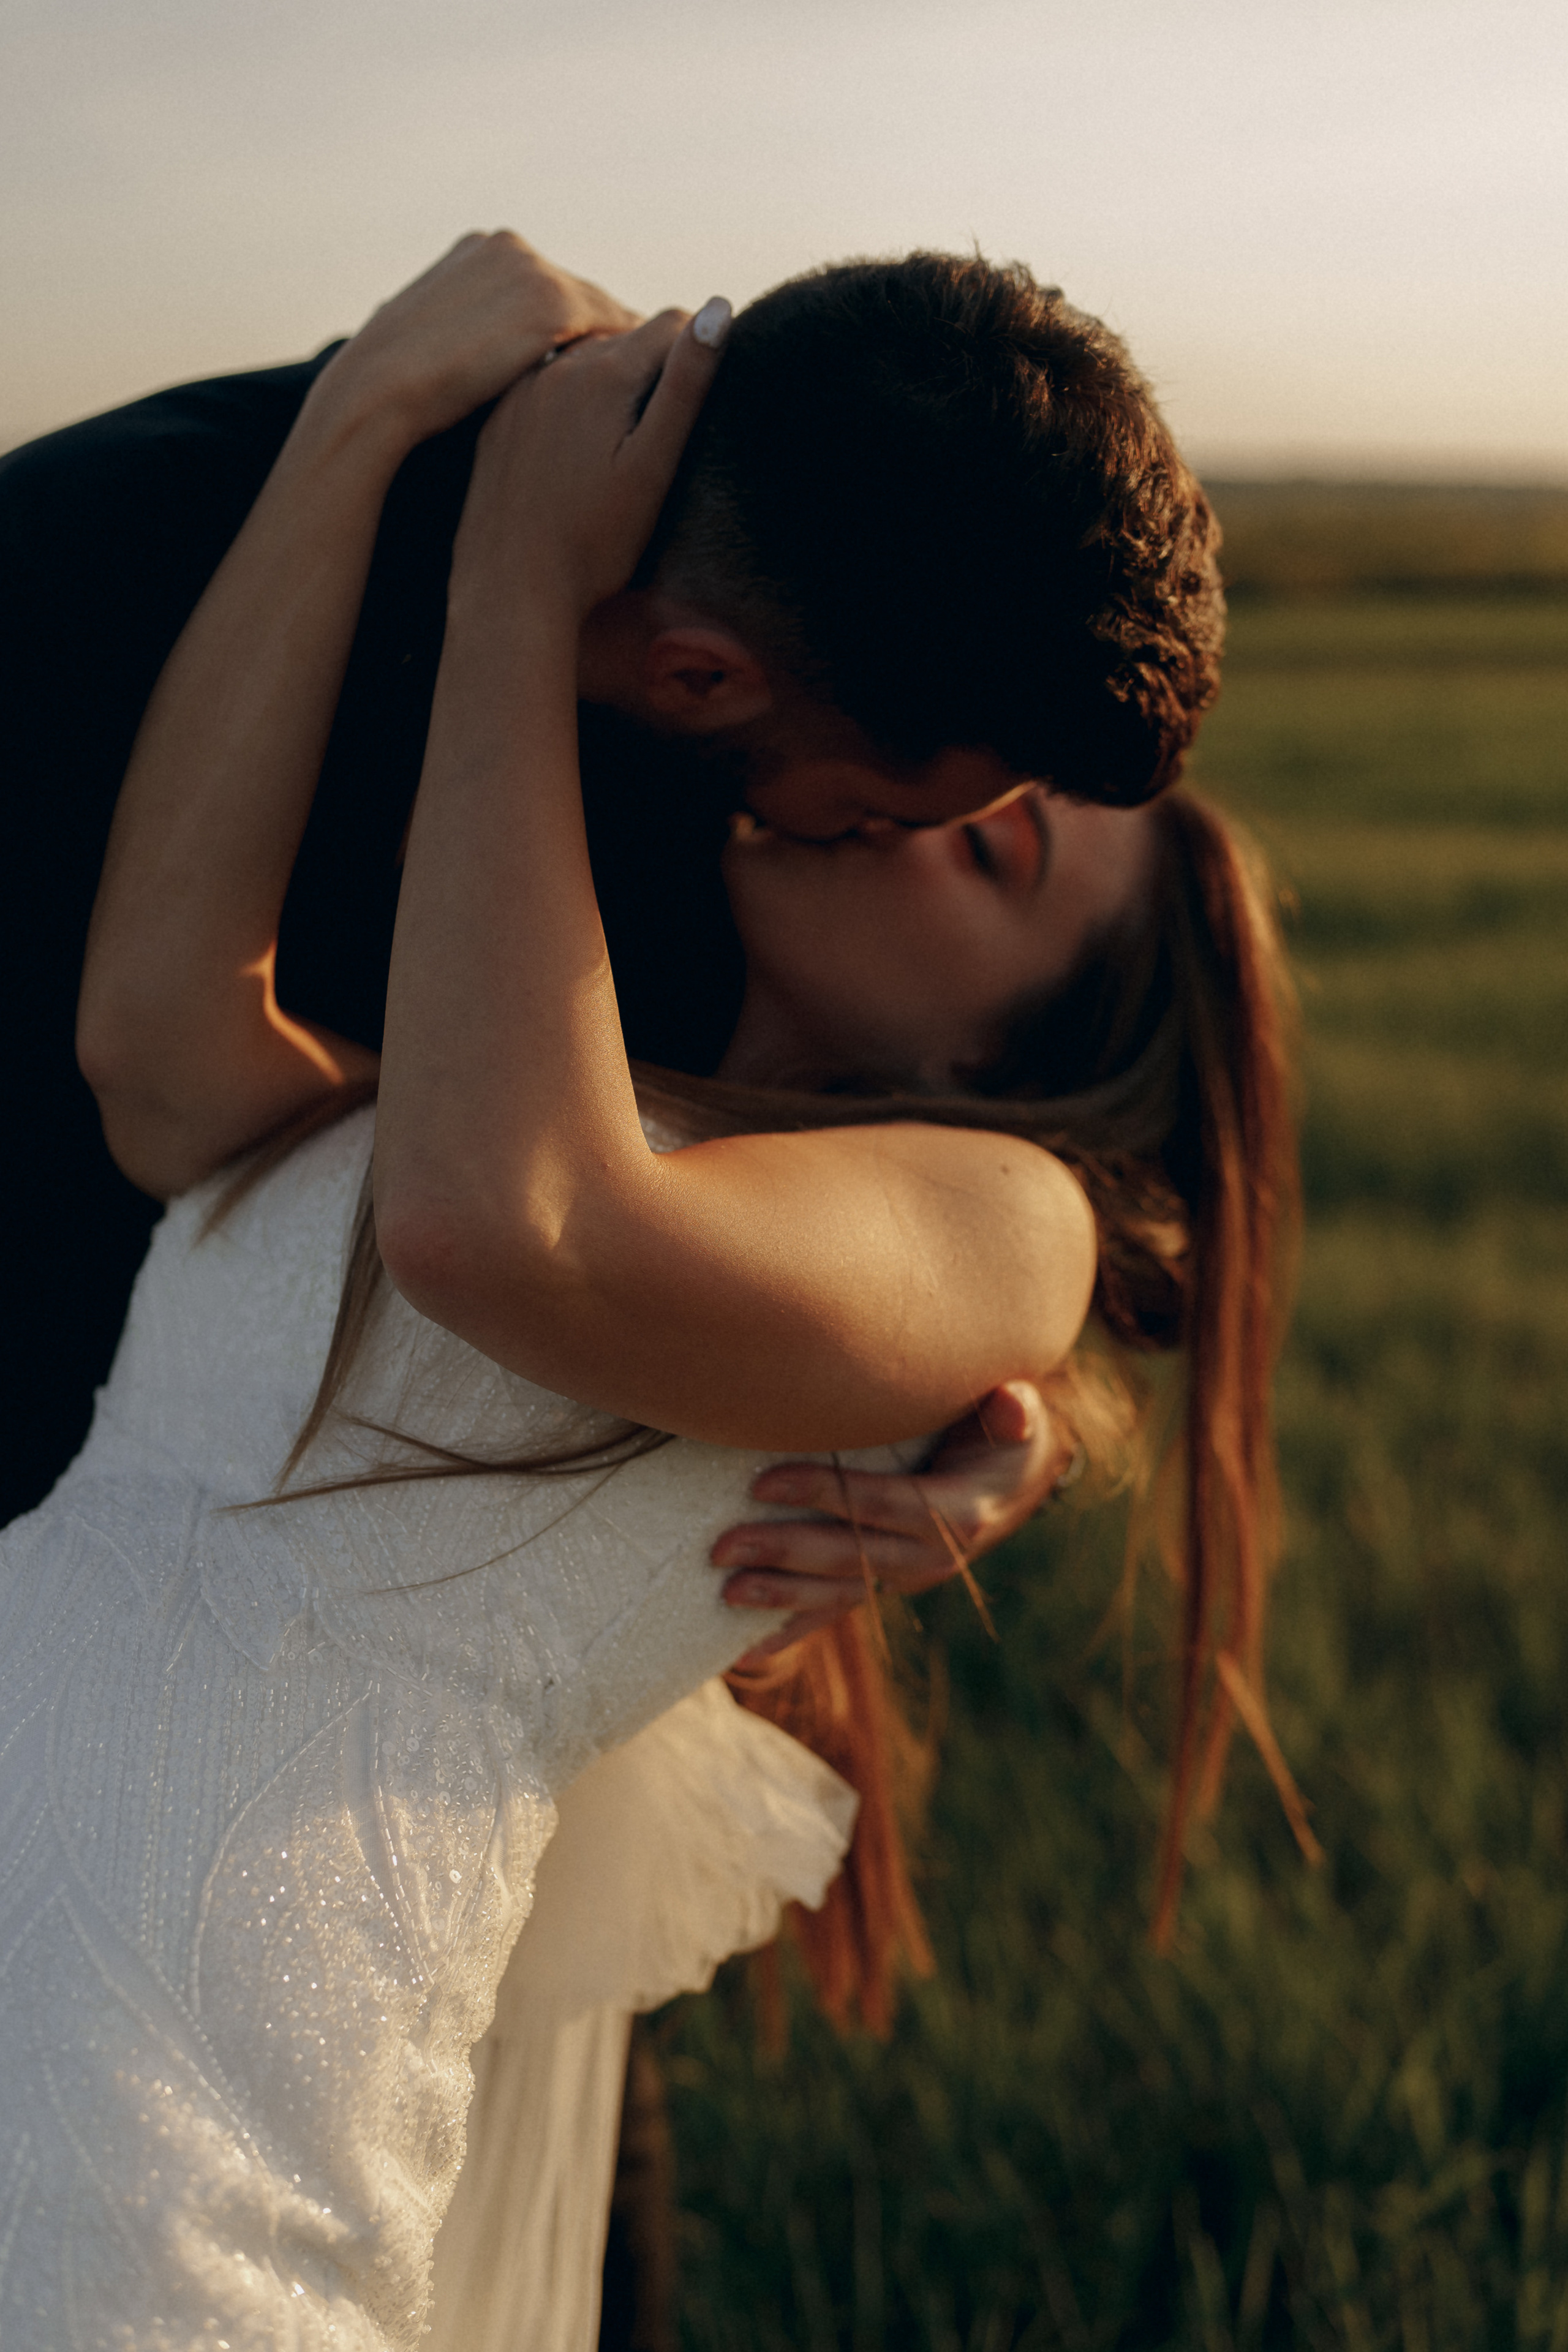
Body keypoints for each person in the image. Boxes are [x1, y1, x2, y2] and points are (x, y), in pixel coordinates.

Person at [0, 246, 1296, 2350]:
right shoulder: (596, 947)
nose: (914, 830)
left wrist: (982, 1404)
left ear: (1016, 1078)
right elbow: (175, 1064)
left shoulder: (990, 1214)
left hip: (236, 1996)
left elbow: (509, 1221)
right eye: (967, 810)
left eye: (988, 850)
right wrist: (367, 429)